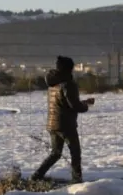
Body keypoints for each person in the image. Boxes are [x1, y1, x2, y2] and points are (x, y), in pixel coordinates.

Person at [31, 55, 94, 183]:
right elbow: (74, 106)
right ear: (69, 69)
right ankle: (77, 180)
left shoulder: (53, 84)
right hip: (66, 126)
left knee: (55, 153)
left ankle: (36, 176)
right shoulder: (68, 85)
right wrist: (85, 106)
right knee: (75, 153)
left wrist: (83, 102)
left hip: (52, 124)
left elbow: (63, 103)